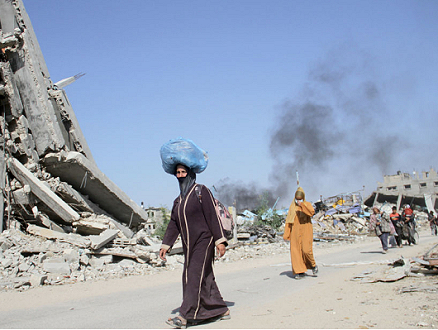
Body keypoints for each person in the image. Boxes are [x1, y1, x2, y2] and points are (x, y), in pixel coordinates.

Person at [159, 164, 230, 329]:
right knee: (205, 277)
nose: (180, 175)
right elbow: (174, 224)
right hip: (188, 245)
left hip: (204, 241)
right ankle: (219, 309)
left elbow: (212, 215)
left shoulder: (201, 191)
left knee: (193, 275)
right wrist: (166, 244)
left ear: (190, 173)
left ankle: (185, 315)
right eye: (178, 172)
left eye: (184, 172)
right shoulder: (179, 200)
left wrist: (220, 240)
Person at [283, 187, 317, 279]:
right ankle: (299, 271)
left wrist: (302, 205)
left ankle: (313, 265)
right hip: (295, 231)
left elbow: (311, 213)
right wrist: (287, 234)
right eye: (297, 199)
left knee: (306, 250)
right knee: (295, 251)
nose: (298, 201)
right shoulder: (292, 207)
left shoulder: (307, 204)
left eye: (300, 199)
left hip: (306, 230)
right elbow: (288, 221)